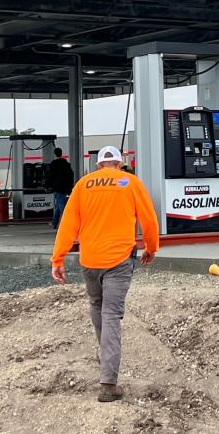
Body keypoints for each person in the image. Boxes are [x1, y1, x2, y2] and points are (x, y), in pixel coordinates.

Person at [51, 145, 159, 403]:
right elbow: (149, 219)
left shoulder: (83, 185)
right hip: (119, 260)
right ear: (120, 164)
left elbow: (68, 224)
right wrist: (151, 248)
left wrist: (58, 258)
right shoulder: (130, 182)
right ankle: (108, 382)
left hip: (90, 260)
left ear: (98, 165)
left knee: (96, 305)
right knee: (111, 315)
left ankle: (106, 356)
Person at [47, 147, 75, 228]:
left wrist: (47, 185)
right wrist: (70, 187)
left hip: (58, 188)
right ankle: (54, 222)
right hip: (66, 188)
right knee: (58, 205)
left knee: (61, 205)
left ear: (55, 154)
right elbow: (71, 175)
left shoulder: (54, 164)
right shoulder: (66, 164)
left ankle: (66, 222)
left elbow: (50, 176)